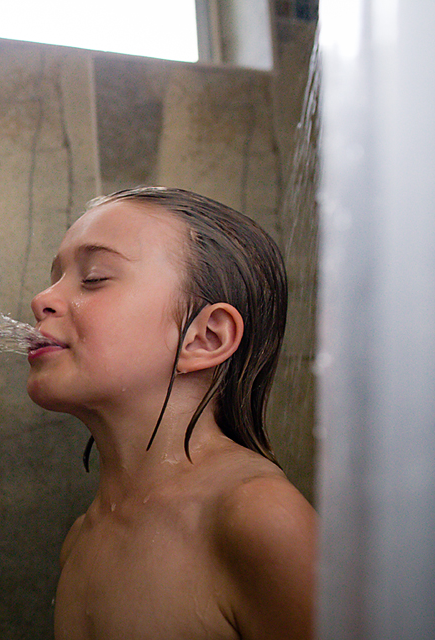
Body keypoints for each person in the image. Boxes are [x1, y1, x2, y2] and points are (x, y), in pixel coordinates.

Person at [26, 186, 317, 640]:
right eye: (56, 276)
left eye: (95, 277)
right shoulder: (84, 535)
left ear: (205, 338)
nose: (42, 298)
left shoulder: (259, 520)